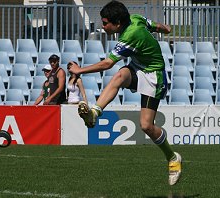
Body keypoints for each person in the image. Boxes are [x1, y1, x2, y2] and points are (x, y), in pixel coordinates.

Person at [69, 0, 182, 185]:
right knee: (121, 75)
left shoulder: (130, 35)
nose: (102, 26)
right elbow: (154, 25)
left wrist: (80, 70)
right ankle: (94, 113)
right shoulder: (136, 19)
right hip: (138, 68)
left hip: (154, 76)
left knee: (146, 126)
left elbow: (107, 64)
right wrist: (166, 29)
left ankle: (172, 157)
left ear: (118, 24)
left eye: (105, 23)